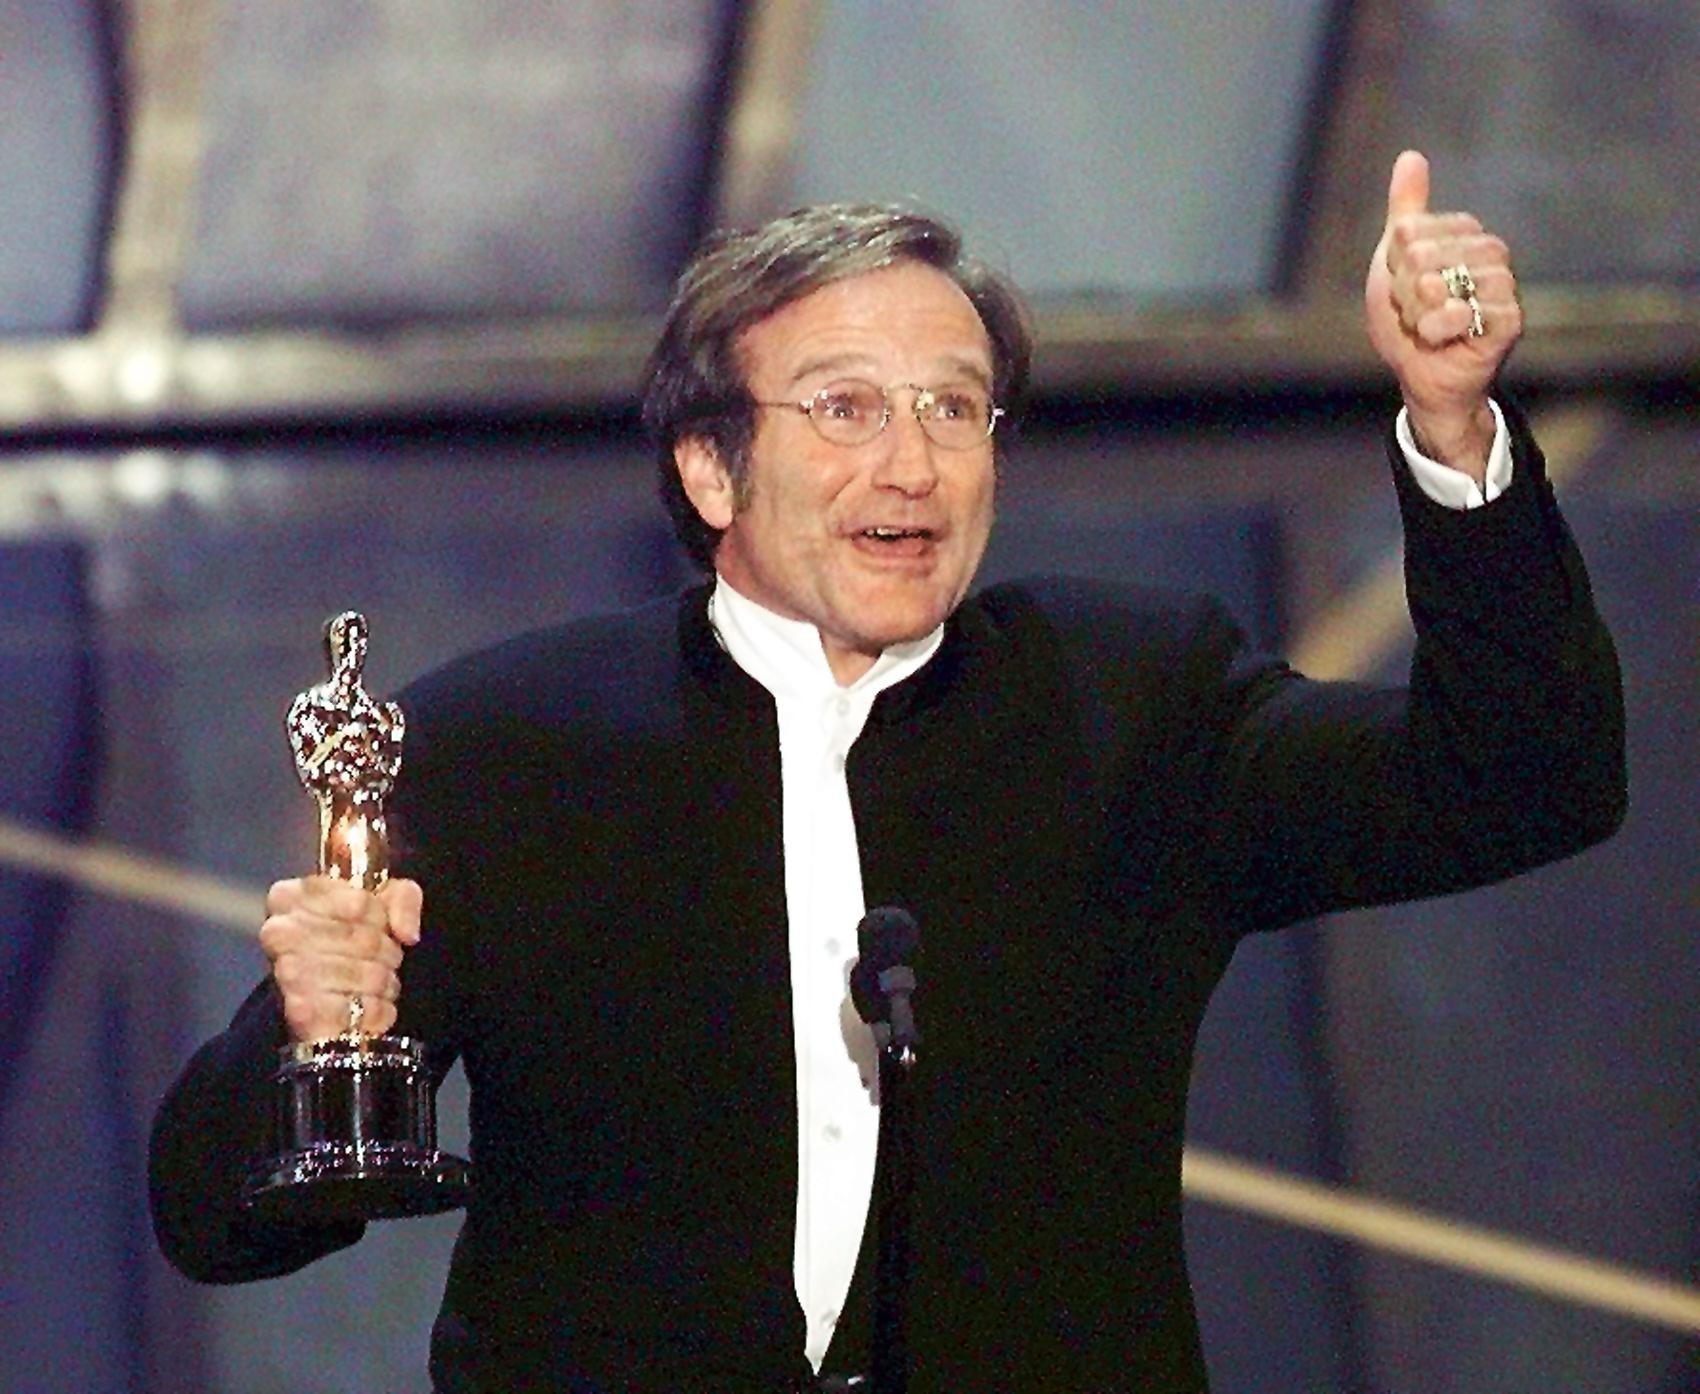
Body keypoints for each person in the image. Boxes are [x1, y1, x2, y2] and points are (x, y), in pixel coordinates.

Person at [149, 152, 1626, 1393]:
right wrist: (305, 1044)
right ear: (711, 470)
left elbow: (1528, 781)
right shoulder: (505, 748)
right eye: (846, 408)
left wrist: (1452, 428)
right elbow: (216, 1221)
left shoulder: (1135, 705)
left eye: (953, 405)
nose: (912, 464)